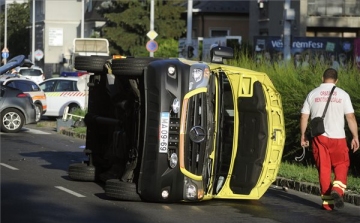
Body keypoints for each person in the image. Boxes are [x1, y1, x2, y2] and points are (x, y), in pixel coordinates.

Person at [300, 68, 359, 211]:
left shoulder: (312, 94)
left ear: (322, 78)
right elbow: (350, 117)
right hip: (338, 138)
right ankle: (337, 191)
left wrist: (303, 135)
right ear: (336, 80)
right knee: (342, 164)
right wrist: (355, 136)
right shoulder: (343, 95)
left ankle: (327, 204)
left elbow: (304, 117)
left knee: (324, 170)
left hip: (319, 138)